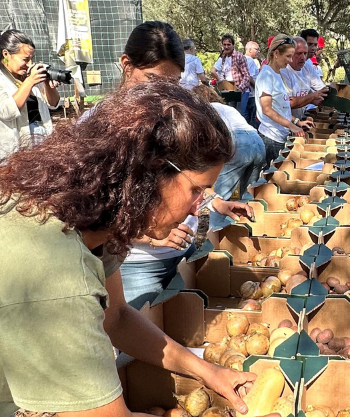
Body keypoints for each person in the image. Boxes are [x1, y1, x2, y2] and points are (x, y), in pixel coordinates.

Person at [0, 81, 280, 417]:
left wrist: (208, 371)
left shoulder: (81, 216)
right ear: (146, 173)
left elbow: (117, 318)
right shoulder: (49, 267)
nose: (200, 208)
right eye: (196, 190)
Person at [108, 21, 254, 310]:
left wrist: (215, 201)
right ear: (126, 65)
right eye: (152, 79)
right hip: (137, 266)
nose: (162, 92)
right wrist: (152, 235)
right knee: (134, 346)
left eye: (172, 83)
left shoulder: (173, 118)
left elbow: (185, 178)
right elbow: (95, 218)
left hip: (181, 255)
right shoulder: (104, 130)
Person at [0, 29, 60, 165]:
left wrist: (47, 83)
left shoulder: (27, 73)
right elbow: (7, 110)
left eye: (32, 59)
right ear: (6, 54)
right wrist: (29, 82)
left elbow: (54, 103)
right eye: (25, 59)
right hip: (12, 153)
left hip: (42, 146)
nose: (30, 64)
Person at [193, 84, 266, 207]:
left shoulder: (204, 110)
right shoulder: (228, 108)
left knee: (221, 199)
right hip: (257, 141)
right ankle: (245, 222)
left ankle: (217, 226)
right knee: (249, 195)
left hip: (238, 144)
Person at [256, 34, 313, 166]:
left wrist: (298, 121)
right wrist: (291, 125)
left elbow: (281, 107)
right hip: (271, 138)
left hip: (280, 135)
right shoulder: (266, 75)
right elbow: (267, 110)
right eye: (288, 56)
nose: (290, 60)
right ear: (276, 53)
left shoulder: (278, 74)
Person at [281, 37, 328, 120]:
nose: (303, 57)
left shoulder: (307, 67)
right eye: (299, 53)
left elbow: (320, 89)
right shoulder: (284, 71)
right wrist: (313, 97)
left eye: (305, 53)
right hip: (283, 126)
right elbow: (288, 103)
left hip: (298, 122)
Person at [212, 34, 253, 115]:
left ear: (233, 45)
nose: (226, 47)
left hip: (242, 90)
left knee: (240, 115)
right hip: (229, 90)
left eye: (228, 44)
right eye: (224, 44)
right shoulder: (223, 57)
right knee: (231, 114)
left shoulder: (239, 56)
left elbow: (246, 75)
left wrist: (239, 89)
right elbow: (220, 73)